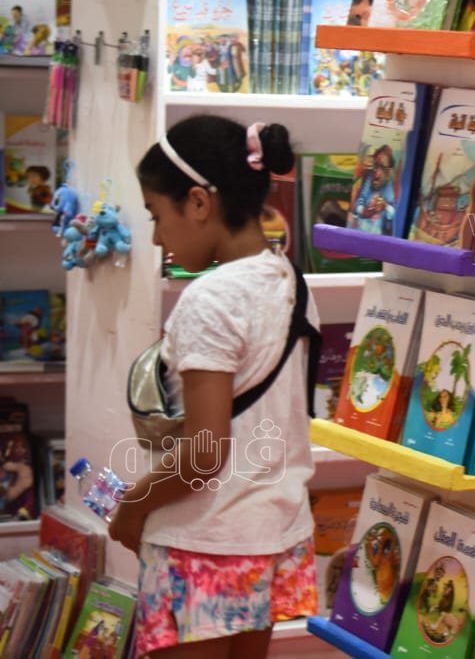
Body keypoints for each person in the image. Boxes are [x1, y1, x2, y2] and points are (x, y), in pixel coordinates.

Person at [111, 114, 317, 658]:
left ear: (199, 203)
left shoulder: (210, 299)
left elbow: (204, 453)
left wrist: (133, 505)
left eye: (157, 215)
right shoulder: (291, 281)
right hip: (275, 533)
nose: (157, 236)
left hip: (203, 542)